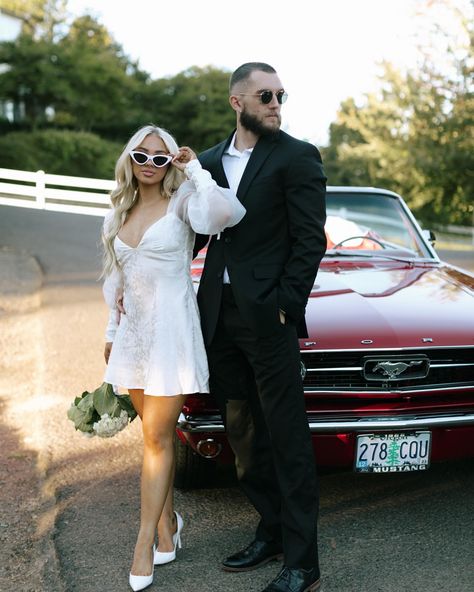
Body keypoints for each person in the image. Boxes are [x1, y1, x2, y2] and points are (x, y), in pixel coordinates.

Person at [194, 63, 327, 592]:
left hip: (268, 318)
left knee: (287, 436)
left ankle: (303, 563)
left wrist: (285, 305)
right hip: (218, 317)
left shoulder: (297, 156)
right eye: (265, 95)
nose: (276, 103)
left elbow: (309, 239)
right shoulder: (205, 163)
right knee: (243, 435)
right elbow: (195, 236)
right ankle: (270, 531)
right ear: (237, 102)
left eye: (281, 95)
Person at [101, 124, 245, 592]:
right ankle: (169, 527)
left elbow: (226, 213)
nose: (149, 164)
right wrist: (110, 330)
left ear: (170, 163)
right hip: (134, 336)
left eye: (160, 158)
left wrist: (195, 170)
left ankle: (143, 544)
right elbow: (115, 281)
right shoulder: (118, 209)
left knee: (159, 439)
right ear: (130, 157)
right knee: (150, 439)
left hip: (172, 337)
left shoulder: (184, 202)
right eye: (141, 155)